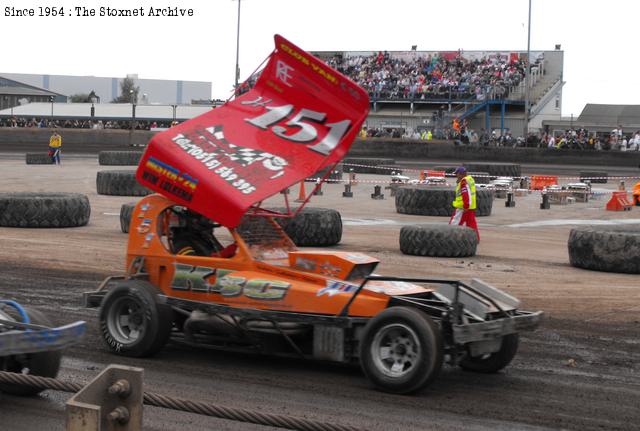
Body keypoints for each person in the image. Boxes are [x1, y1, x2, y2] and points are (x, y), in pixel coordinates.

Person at [449, 166, 479, 240]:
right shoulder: (470, 179)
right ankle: (475, 239)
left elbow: (466, 194)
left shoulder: (463, 182)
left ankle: (450, 238)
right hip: (471, 207)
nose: (456, 176)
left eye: (457, 174)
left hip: (462, 207)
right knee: (472, 225)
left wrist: (466, 206)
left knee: (454, 223)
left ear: (461, 174)